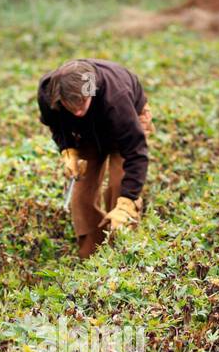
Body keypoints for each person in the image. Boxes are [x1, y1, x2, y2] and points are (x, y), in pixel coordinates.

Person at [38, 59, 153, 259]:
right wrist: (68, 149)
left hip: (126, 125)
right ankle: (92, 255)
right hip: (87, 133)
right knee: (81, 197)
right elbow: (57, 125)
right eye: (70, 106)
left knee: (119, 189)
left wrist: (127, 202)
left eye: (82, 103)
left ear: (90, 91)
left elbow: (136, 152)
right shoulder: (49, 94)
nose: (78, 111)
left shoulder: (115, 98)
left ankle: (125, 253)